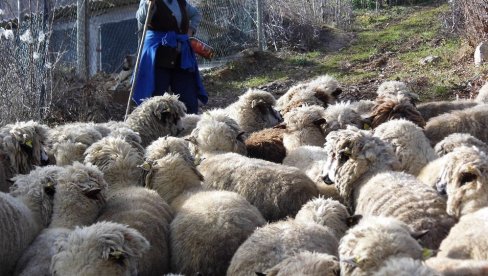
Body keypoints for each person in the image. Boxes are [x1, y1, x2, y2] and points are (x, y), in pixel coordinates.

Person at [133, 0, 208, 114]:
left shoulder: (180, 2)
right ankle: (155, 127)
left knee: (188, 99)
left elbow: (196, 14)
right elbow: (142, 18)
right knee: (156, 99)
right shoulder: (149, 1)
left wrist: (191, 30)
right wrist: (149, 4)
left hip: (181, 57)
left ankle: (189, 125)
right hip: (159, 57)